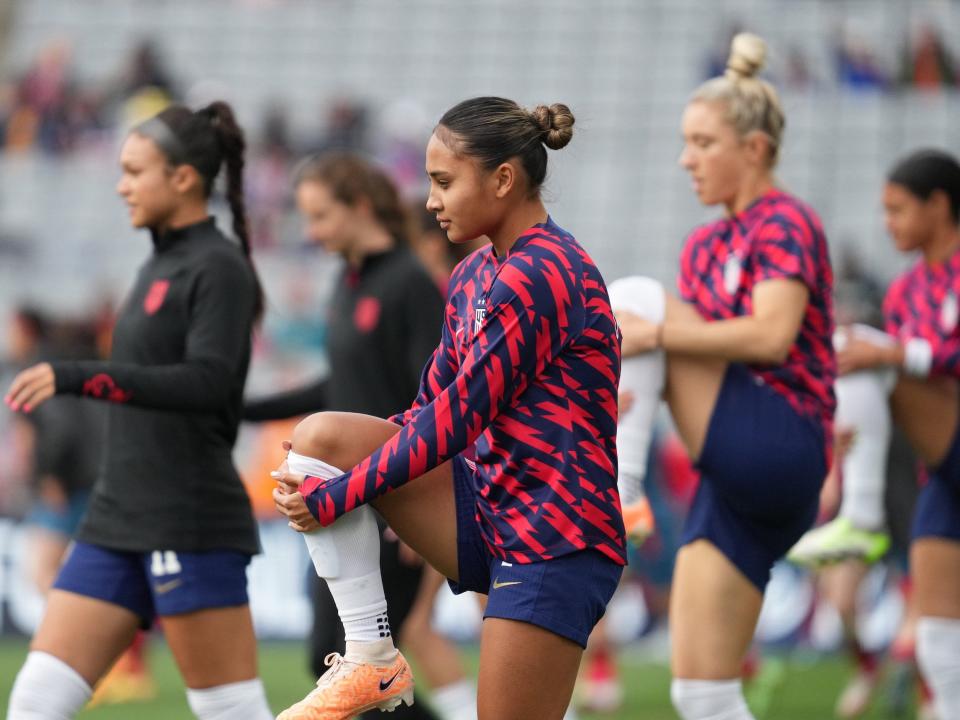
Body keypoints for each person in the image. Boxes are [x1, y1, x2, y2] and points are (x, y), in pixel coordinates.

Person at [271, 96, 625, 720]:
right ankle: (371, 658)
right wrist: (326, 475)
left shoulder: (546, 269)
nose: (430, 200)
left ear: (504, 179)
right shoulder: (470, 276)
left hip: (554, 534)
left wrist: (341, 495)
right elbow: (426, 408)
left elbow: (459, 418)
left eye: (442, 181)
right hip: (491, 508)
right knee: (321, 438)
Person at [4, 101, 273, 720]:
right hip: (114, 518)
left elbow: (207, 382)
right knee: (35, 703)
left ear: (182, 178)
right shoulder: (158, 261)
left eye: (134, 171)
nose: (121, 184)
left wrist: (77, 375)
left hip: (187, 519)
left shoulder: (218, 266)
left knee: (231, 710)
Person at [611, 33, 835, 719]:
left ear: (755, 150)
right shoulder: (705, 242)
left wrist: (655, 334)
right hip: (732, 474)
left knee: (640, 302)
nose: (687, 159)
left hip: (781, 439)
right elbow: (698, 355)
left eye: (703, 143)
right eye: (687, 142)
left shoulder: (786, 222)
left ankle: (620, 491)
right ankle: (620, 489)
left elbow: (770, 337)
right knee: (700, 692)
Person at [243, 151, 475, 720]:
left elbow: (440, 397)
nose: (311, 231)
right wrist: (245, 408)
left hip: (390, 493)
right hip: (341, 495)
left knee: (358, 661)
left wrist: (421, 501)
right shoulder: (349, 284)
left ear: (360, 206)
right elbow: (340, 387)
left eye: (320, 215)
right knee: (338, 660)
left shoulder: (408, 283)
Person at [819, 149, 960, 719]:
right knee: (937, 634)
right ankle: (859, 507)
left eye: (898, 209)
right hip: (940, 473)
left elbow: (903, 362)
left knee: (864, 351)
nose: (888, 223)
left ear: (939, 205)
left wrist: (899, 353)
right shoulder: (903, 293)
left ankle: (862, 511)